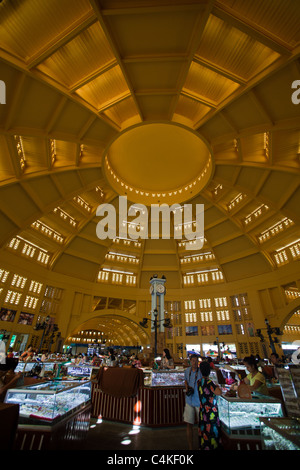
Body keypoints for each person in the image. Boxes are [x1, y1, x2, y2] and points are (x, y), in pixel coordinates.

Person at [198, 360, 222, 450]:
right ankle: (212, 446)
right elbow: (219, 392)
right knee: (211, 429)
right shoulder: (210, 383)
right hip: (211, 411)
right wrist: (218, 387)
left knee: (204, 428)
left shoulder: (199, 382)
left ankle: (204, 445)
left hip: (203, 410)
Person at [183, 354, 202, 450]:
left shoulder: (201, 372)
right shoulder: (187, 371)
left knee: (201, 425)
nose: (195, 363)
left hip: (199, 401)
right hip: (189, 401)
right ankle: (190, 447)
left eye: (196, 361)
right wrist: (187, 387)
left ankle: (201, 445)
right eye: (193, 361)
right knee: (189, 424)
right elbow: (185, 380)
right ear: (190, 361)